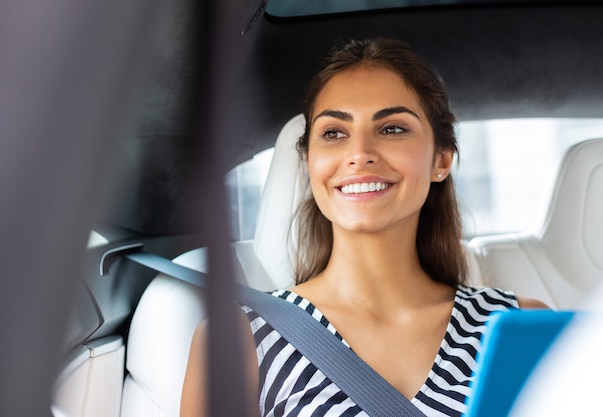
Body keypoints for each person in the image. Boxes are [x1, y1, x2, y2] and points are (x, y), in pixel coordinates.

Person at [181, 37, 547, 417]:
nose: (360, 154)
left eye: (392, 129)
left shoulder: (523, 327)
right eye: (334, 133)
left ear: (441, 160)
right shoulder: (237, 340)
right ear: (309, 162)